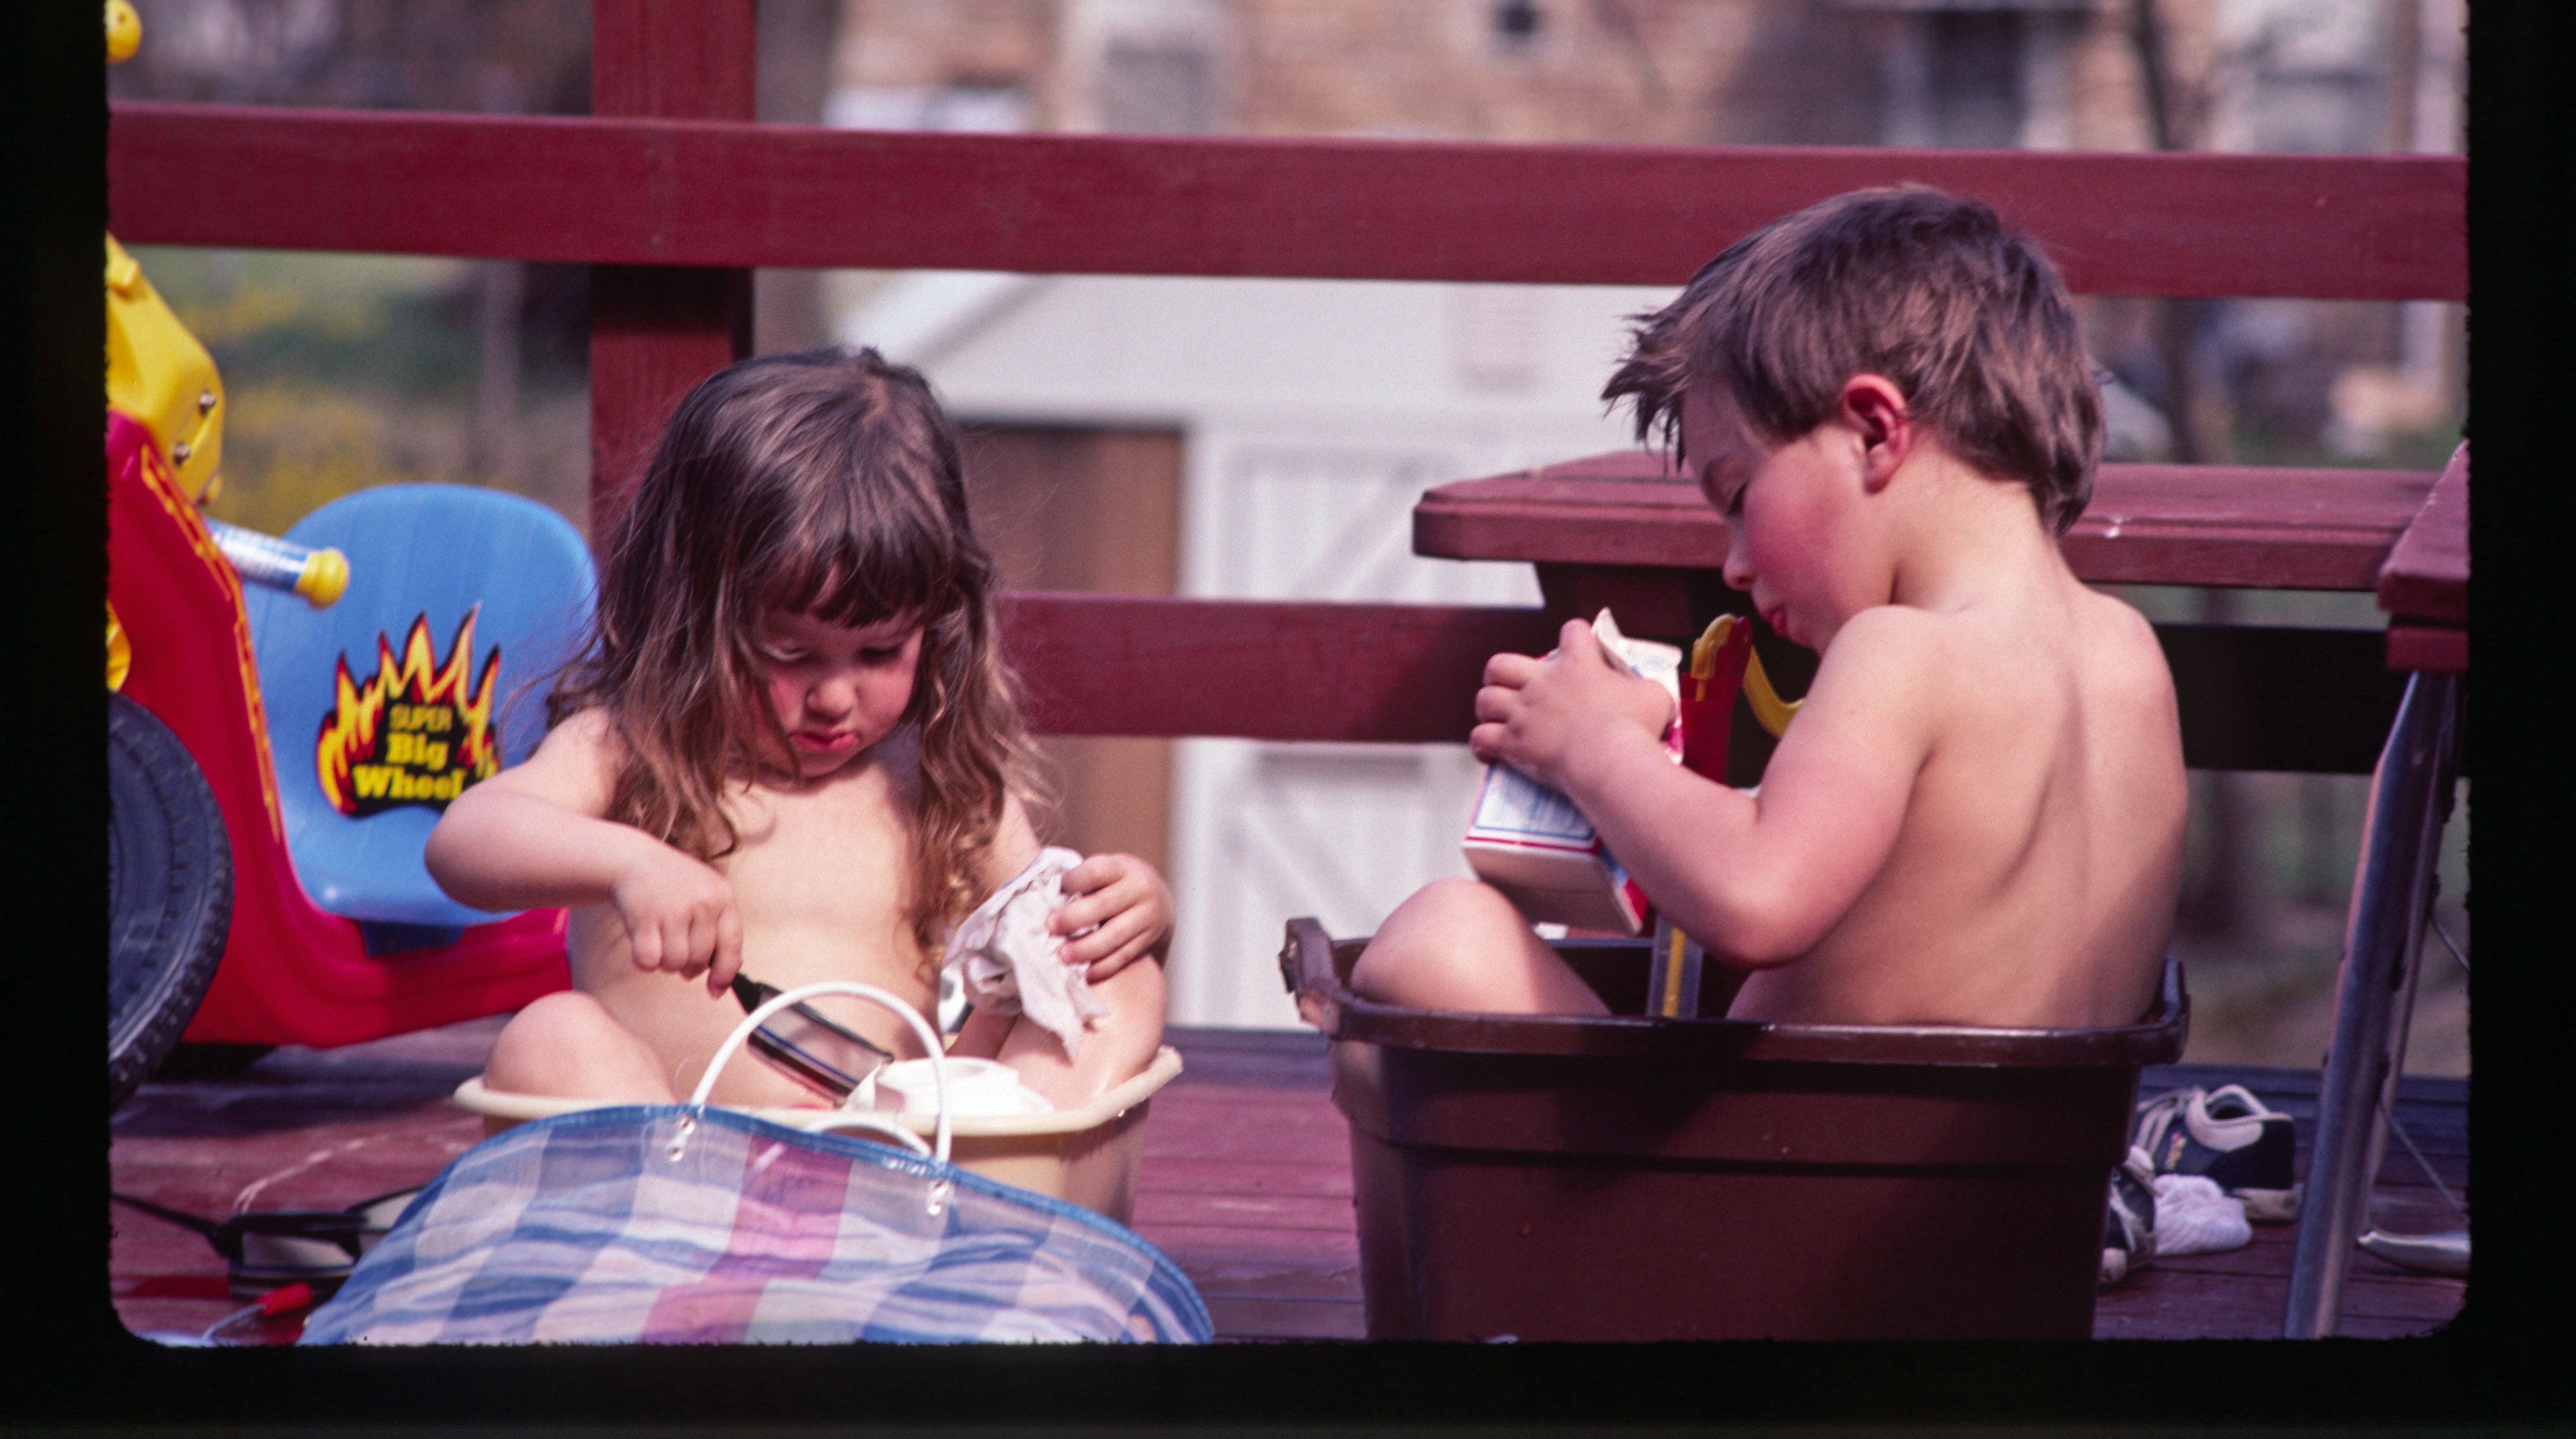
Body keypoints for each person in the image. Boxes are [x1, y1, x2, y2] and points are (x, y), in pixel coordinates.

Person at [1355, 186, 2186, 1029]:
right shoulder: (2127, 651)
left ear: (1872, 431)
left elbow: (1758, 894)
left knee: (1443, 936)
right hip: (2044, 1153)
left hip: (1798, 1154)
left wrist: (1593, 745)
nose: (1736, 565)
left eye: (1740, 496)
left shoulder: (1902, 653)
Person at [426, 349, 1172, 1110]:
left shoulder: (938, 778)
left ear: (937, 623)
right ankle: (671, 1216)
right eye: (789, 653)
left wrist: (1127, 918)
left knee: (1117, 977)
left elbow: (1042, 943)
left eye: (881, 651)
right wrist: (627, 864)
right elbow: (464, 841)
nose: (834, 698)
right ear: (695, 618)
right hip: (672, 1164)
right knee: (551, 1034)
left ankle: (1007, 1189)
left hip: (894, 1161)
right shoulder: (636, 748)